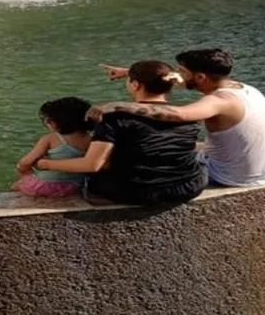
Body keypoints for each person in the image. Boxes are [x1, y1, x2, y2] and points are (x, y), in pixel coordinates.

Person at [96, 48, 265, 188]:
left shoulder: (219, 101)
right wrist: (130, 72)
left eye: (183, 71)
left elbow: (179, 114)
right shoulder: (245, 89)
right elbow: (178, 80)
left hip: (231, 176)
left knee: (144, 155)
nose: (178, 75)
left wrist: (116, 106)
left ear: (201, 77)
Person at [38, 60, 207, 206]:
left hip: (136, 192)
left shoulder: (114, 118)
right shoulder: (187, 114)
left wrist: (46, 164)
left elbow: (93, 165)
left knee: (96, 179)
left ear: (135, 85)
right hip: (189, 186)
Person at [13, 97, 94, 198]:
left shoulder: (50, 139)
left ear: (53, 123)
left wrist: (24, 172)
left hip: (45, 187)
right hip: (76, 186)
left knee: (18, 185)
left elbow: (25, 162)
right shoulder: (92, 139)